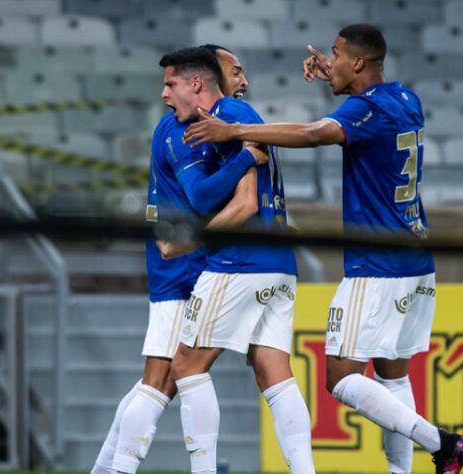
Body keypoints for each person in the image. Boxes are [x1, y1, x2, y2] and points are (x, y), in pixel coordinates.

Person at [182, 24, 463, 474]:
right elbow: (363, 115)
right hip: (418, 258)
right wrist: (338, 78)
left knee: (341, 379)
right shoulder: (405, 100)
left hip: (376, 264)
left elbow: (318, 132)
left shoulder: (363, 111)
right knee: (392, 376)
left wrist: (234, 129)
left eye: (336, 54)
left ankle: (441, 442)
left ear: (358, 61)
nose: (327, 59)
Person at [90, 49, 269, 474]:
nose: (164, 93)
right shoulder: (180, 130)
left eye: (169, 84)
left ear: (195, 82)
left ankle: (105, 469)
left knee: (158, 383)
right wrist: (247, 156)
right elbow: (201, 197)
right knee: (163, 382)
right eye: (167, 84)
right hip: (181, 267)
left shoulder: (185, 125)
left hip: (175, 264)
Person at [159, 47, 316, 474]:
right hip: (280, 263)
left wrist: (190, 241)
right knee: (274, 374)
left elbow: (237, 202)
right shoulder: (241, 119)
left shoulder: (228, 116)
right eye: (237, 71)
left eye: (170, 84)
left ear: (198, 81)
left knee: (186, 367)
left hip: (240, 262)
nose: (243, 79)